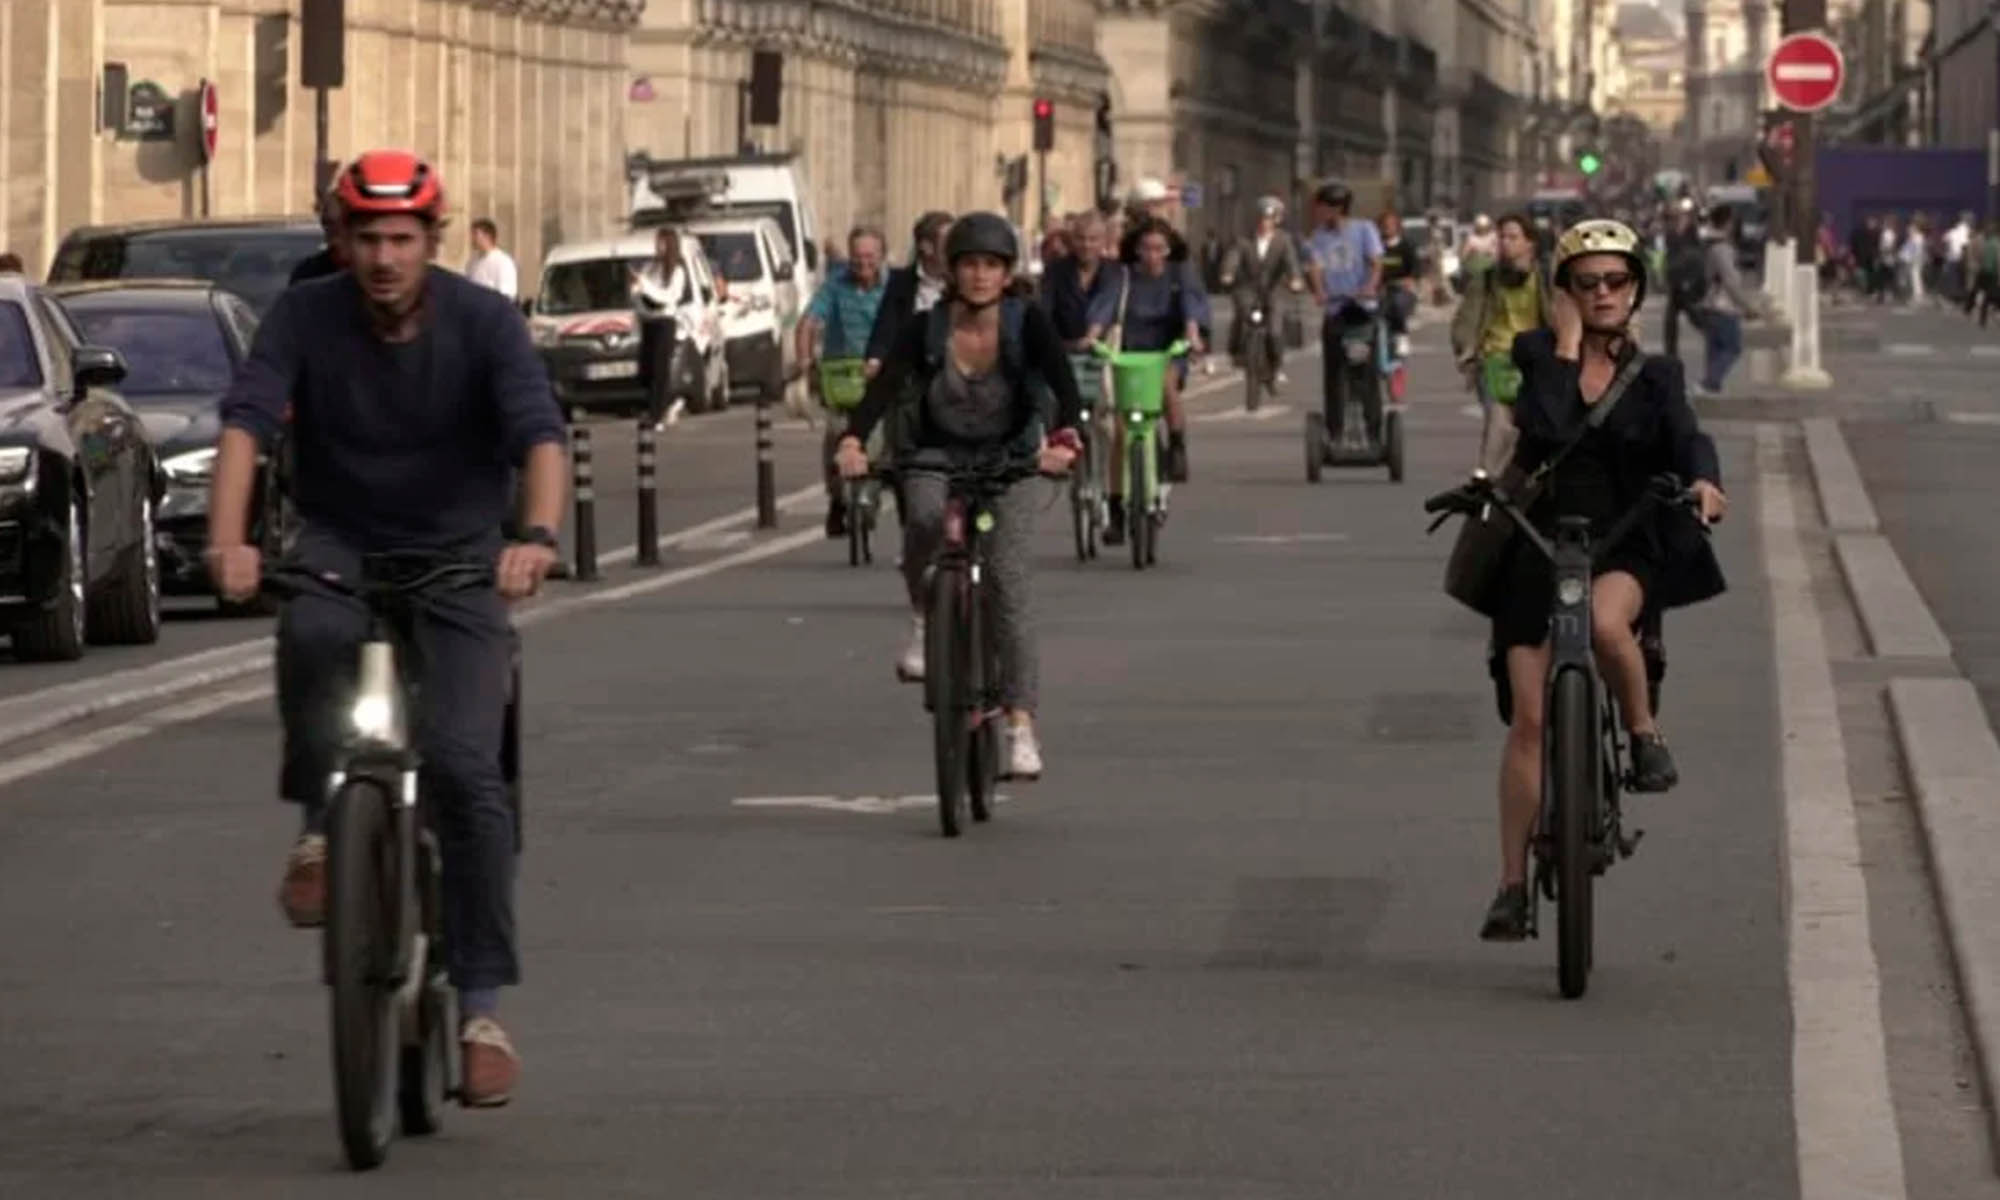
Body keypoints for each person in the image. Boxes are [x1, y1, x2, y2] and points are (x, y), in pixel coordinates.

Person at [209, 148, 566, 1105]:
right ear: (343, 238)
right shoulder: (304, 314)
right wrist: (229, 540)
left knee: (464, 766)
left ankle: (481, 1006)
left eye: (401, 238)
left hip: (458, 558)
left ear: (432, 241)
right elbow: (247, 421)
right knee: (313, 636)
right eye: (365, 236)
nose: (382, 257)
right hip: (341, 542)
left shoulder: (484, 322)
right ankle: (322, 827)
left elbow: (538, 433)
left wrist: (534, 538)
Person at [1479, 218, 1728, 941]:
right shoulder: (1536, 356)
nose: (1603, 294)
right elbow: (1550, 430)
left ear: (1636, 288)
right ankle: (1511, 885)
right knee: (1528, 720)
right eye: (1586, 284)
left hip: (1623, 538)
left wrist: (1705, 481)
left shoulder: (1657, 375)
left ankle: (1644, 733)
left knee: (1605, 622)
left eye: (1616, 280)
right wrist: (1560, 345)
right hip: (1540, 541)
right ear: (1565, 294)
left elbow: (1688, 435)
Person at [832, 214, 1084, 780]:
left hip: (1010, 461)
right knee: (921, 518)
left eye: (990, 265)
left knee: (1006, 579)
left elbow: (1064, 388)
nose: (979, 275)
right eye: (969, 264)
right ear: (952, 270)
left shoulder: (1027, 324)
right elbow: (883, 389)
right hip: (933, 454)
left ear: (1006, 273)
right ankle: (925, 616)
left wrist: (1067, 439)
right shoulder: (926, 328)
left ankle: (1020, 723)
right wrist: (852, 439)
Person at [1085, 217, 1204, 542]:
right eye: (1146, 249)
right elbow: (1105, 307)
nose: (1153, 255)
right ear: (1136, 250)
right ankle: (1116, 512)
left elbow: (1192, 307)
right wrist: (1093, 335)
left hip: (1168, 353)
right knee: (1121, 434)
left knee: (1167, 386)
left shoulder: (1180, 275)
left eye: (1159, 249)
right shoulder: (1122, 277)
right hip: (1129, 356)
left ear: (1168, 250)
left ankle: (1177, 445)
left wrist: (1193, 334)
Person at [796, 226, 890, 537]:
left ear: (881, 257)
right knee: (836, 434)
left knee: (880, 439)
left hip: (880, 376)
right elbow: (808, 322)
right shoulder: (835, 287)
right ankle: (837, 500)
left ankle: (874, 492)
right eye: (857, 257)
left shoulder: (893, 288)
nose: (863, 263)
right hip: (840, 377)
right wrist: (805, 363)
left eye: (870, 257)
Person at [1450, 213, 1550, 476]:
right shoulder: (1487, 279)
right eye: (1502, 237)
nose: (1505, 243)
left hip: (1535, 360)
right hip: (1494, 358)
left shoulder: (1545, 279)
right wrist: (1467, 351)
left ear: (1530, 243)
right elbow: (1467, 318)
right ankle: (1489, 477)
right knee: (1498, 420)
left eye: (1513, 237)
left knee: (1529, 425)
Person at [1305, 180, 1385, 448]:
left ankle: (1375, 432)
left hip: (1362, 311)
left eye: (1323, 207)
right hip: (1336, 310)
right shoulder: (1318, 237)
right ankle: (1334, 432)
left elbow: (1375, 262)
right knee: (1334, 375)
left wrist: (1370, 286)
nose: (1318, 213)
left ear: (1337, 208)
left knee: (1367, 376)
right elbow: (1315, 267)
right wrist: (1319, 292)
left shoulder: (1364, 230)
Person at [1218, 195, 1306, 384]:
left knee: (1275, 329)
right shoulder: (1243, 239)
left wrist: (1296, 279)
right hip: (1248, 288)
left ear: (1277, 220)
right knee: (1242, 315)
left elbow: (1291, 262)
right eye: (1261, 217)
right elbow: (1233, 257)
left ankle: (1276, 365)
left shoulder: (1284, 240)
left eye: (1268, 218)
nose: (1264, 222)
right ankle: (1236, 351)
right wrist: (1228, 273)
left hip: (1274, 290)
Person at [1691, 205, 1768, 397]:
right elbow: (1731, 283)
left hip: (1708, 304)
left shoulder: (1708, 243)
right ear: (1727, 223)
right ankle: (1709, 383)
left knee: (1716, 348)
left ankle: (1711, 386)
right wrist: (1748, 307)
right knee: (1732, 347)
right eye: (1734, 222)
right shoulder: (1723, 248)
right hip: (1722, 306)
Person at [866, 210, 955, 369]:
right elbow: (885, 326)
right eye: (949, 241)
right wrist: (875, 359)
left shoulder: (962, 283)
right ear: (926, 247)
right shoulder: (901, 282)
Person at [630, 226, 694, 426]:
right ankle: (667, 403)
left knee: (660, 369)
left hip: (665, 322)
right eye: (657, 242)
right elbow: (639, 294)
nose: (658, 247)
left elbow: (667, 297)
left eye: (662, 242)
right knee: (645, 370)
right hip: (649, 321)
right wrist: (637, 291)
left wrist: (645, 286)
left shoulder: (677, 271)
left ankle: (656, 415)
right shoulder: (651, 267)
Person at [1040, 210, 1124, 350]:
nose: (1086, 245)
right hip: (1064, 350)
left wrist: (1090, 340)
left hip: (1103, 353)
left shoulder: (1115, 271)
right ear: (1072, 240)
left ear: (1104, 241)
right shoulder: (1055, 271)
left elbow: (1106, 307)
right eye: (1080, 238)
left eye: (1093, 239)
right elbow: (1045, 313)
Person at [1375, 209, 1421, 356]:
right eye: (1384, 225)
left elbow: (1416, 267)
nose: (1387, 228)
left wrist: (1409, 279)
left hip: (1401, 289)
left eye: (1391, 225)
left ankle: (1402, 336)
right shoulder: (1375, 246)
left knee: (1397, 304)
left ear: (1397, 226)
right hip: (1379, 288)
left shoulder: (1407, 245)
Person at [288, 183, 348, 285]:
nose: (332, 231)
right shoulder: (309, 273)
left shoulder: (371, 272)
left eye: (340, 223)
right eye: (327, 223)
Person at [465, 217, 519, 299]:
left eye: (475, 234)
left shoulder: (503, 262)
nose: (472, 238)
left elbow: (507, 295)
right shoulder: (472, 263)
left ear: (487, 236)